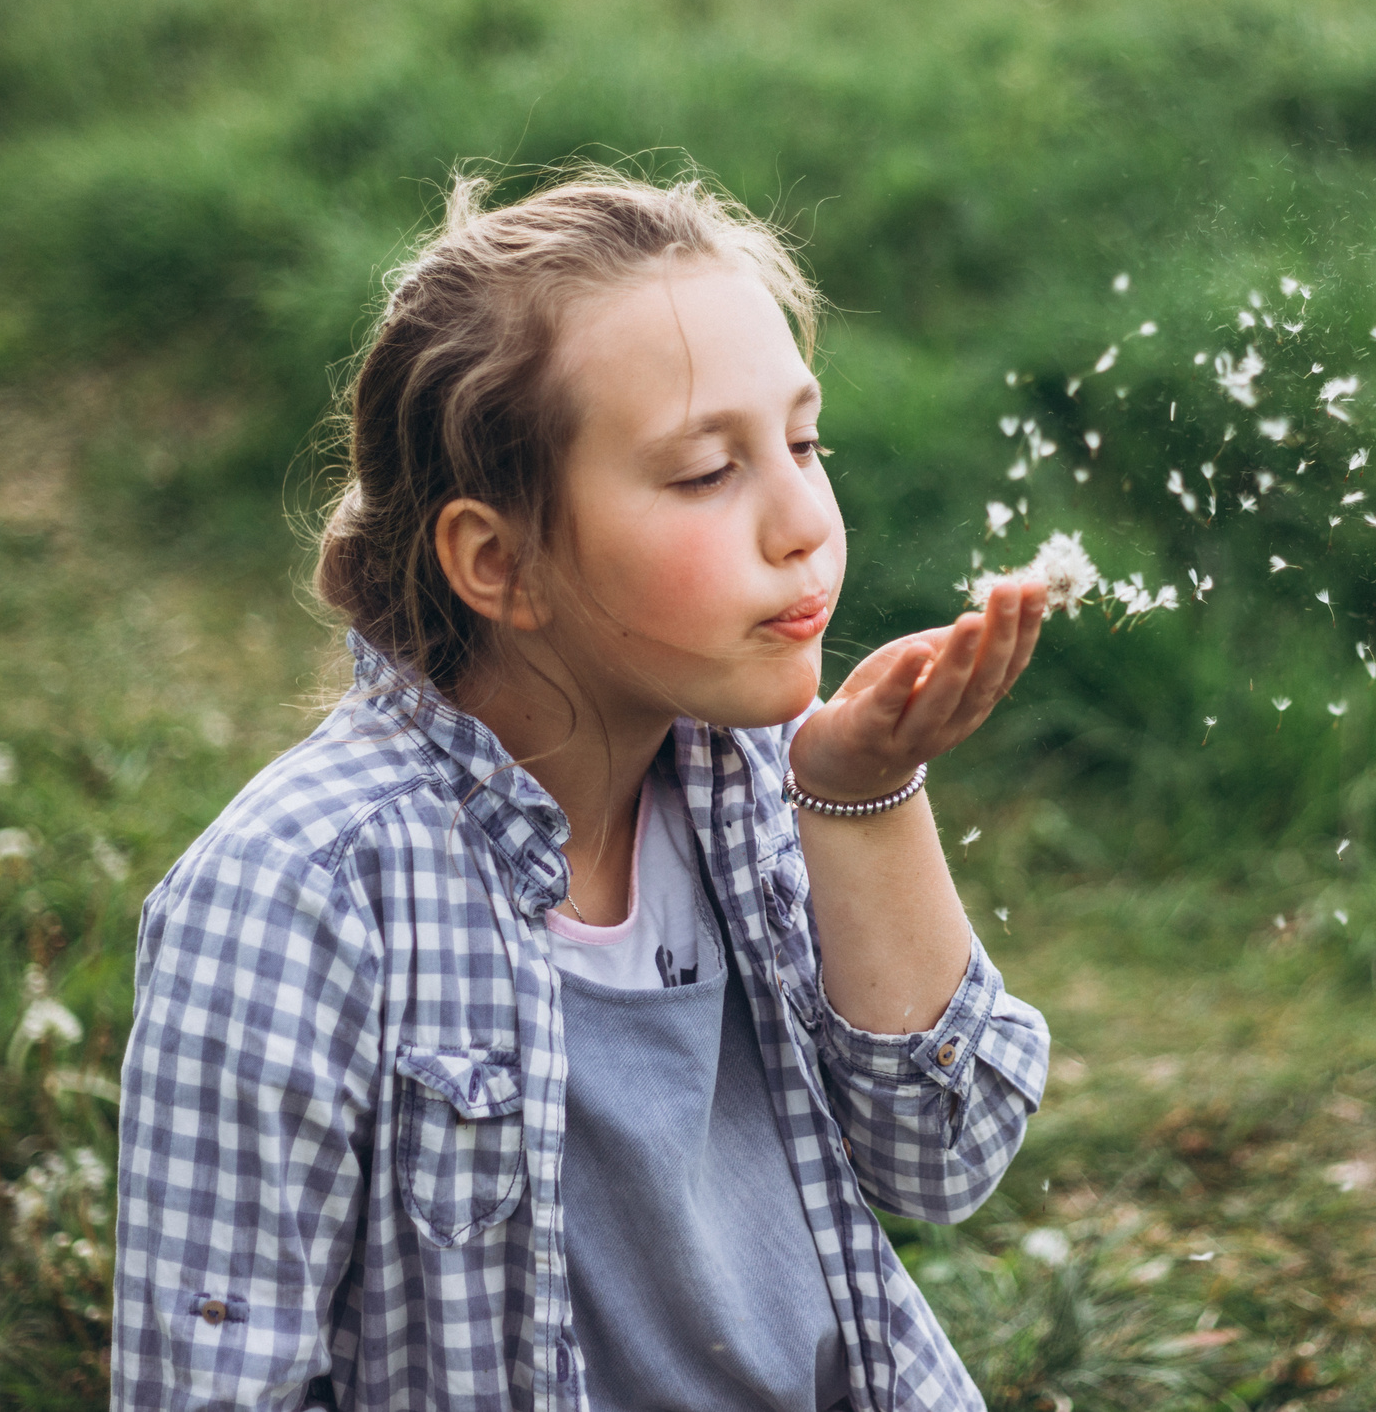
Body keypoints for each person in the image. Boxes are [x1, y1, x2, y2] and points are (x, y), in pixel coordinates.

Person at [110, 170, 1052, 1411]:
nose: (805, 522)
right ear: (499, 561)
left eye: (805, 442)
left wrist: (864, 793)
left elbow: (942, 1158)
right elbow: (211, 1381)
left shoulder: (765, 786)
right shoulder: (292, 902)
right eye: (708, 471)